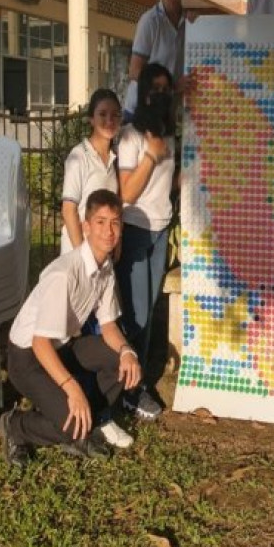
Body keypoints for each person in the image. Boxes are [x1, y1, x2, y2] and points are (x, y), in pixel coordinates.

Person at [0, 190, 142, 468]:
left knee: (123, 363)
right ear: (86, 227)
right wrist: (72, 388)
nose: (108, 231)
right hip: (27, 357)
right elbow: (40, 343)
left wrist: (126, 351)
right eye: (100, 222)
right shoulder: (64, 273)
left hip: (62, 347)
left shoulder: (106, 268)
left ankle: (89, 420)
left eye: (114, 222)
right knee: (68, 426)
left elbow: (108, 325)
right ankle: (17, 426)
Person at [115, 63, 178, 421]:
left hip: (161, 229)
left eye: (166, 89)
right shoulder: (131, 136)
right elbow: (125, 192)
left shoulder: (167, 134)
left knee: (149, 310)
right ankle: (129, 391)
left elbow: (161, 187)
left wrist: (186, 178)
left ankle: (135, 381)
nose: (160, 95)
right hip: (136, 231)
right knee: (136, 314)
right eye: (153, 89)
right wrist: (152, 155)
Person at [124, 0, 186, 121]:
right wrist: (171, 86)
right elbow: (134, 71)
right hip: (140, 114)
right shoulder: (150, 21)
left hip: (165, 115)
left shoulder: (190, 24)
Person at [60, 89, 121, 255]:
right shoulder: (79, 156)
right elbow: (68, 210)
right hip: (78, 254)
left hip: (102, 252)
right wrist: (83, 255)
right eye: (102, 114)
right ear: (91, 119)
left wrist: (117, 242)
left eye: (115, 115)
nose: (109, 120)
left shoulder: (115, 157)